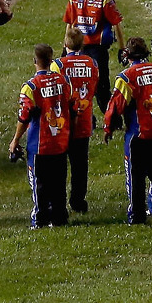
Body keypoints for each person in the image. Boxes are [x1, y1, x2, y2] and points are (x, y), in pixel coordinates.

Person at [104, 37, 152, 224]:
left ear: (127, 55)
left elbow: (116, 106)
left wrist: (108, 128)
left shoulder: (127, 76)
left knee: (136, 176)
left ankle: (137, 216)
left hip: (139, 133)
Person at [9, 44, 72, 228]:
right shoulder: (63, 81)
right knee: (59, 182)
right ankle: (60, 217)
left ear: (35, 61)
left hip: (39, 144)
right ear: (51, 60)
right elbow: (71, 104)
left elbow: (24, 116)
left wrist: (15, 140)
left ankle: (40, 219)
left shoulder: (30, 87)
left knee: (39, 184)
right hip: (60, 141)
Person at [63, 0, 124, 114]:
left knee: (101, 86)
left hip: (97, 49)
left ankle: (112, 118)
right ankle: (86, 117)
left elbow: (116, 24)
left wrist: (122, 49)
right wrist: (66, 46)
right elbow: (70, 24)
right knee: (77, 85)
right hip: (78, 48)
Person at [51, 27, 99, 213]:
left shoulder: (59, 65)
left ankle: (59, 202)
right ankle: (78, 201)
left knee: (60, 165)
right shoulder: (92, 63)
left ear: (65, 44)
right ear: (83, 44)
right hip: (84, 119)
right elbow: (94, 87)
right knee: (80, 165)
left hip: (63, 123)